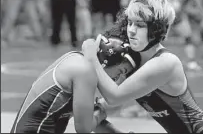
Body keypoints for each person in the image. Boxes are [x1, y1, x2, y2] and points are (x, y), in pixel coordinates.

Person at [82, 0, 203, 133]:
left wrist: (91, 57)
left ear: (155, 30)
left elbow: (114, 97)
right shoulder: (134, 61)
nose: (131, 30)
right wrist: (92, 111)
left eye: (139, 25)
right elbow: (110, 104)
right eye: (130, 23)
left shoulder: (165, 63)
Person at [10, 22, 141, 133]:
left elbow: (90, 120)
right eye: (121, 71)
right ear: (110, 58)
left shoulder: (78, 61)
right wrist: (103, 109)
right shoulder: (83, 70)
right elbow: (84, 128)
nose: (118, 77)